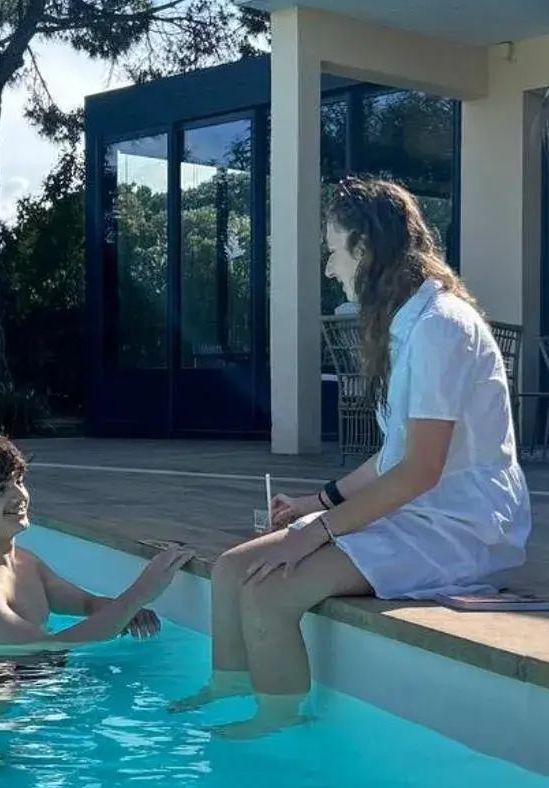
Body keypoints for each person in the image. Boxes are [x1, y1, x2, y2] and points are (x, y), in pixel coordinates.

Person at [172, 177, 530, 738]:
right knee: (231, 570)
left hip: (462, 529)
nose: (329, 267)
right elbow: (394, 457)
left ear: (365, 248)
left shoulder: (440, 328)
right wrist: (316, 503)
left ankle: (280, 725)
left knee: (269, 591)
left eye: (334, 250)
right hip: (416, 514)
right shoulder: (409, 324)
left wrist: (316, 533)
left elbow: (421, 471)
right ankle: (230, 688)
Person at [0, 428, 193, 649]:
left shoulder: (25, 564)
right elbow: (49, 648)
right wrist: (141, 592)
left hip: (36, 681)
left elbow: (87, 604)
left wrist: (125, 612)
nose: (19, 496)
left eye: (19, 481)